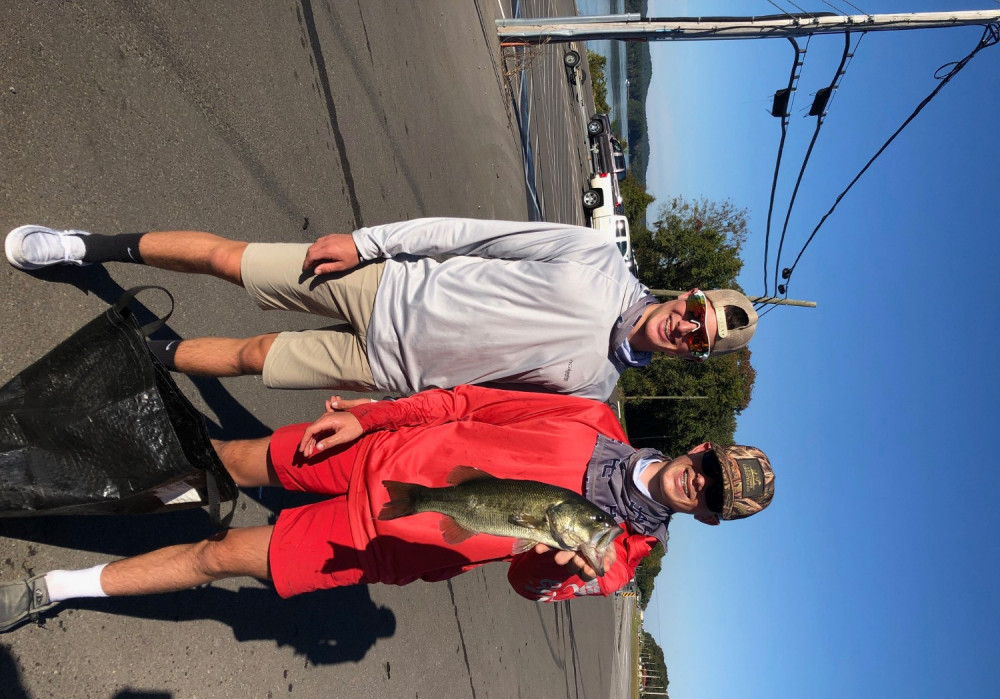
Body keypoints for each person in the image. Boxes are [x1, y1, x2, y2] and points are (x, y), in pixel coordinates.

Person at [0, 385, 774, 632]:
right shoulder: (593, 417)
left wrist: (547, 567)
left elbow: (527, 586)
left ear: (708, 517)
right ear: (702, 449)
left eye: (713, 497)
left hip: (384, 541)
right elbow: (467, 402)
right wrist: (369, 417)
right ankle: (54, 477)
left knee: (217, 557)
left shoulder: (621, 558)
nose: (699, 484)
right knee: (221, 461)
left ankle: (53, 588)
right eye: (711, 470)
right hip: (373, 451)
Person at [4, 219, 758, 401]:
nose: (687, 330)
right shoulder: (595, 257)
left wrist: (383, 419)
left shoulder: (597, 390)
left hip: (388, 368)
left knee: (251, 356)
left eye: (699, 342)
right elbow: (467, 235)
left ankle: (139, 356)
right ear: (690, 296)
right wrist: (366, 243)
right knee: (230, 260)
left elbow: (481, 408)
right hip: (383, 286)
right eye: (696, 314)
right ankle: (84, 246)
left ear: (694, 356)